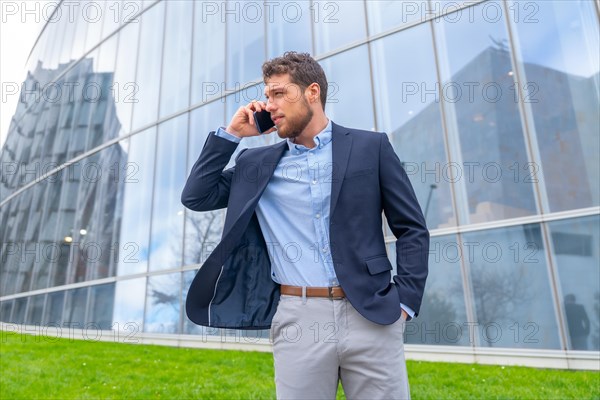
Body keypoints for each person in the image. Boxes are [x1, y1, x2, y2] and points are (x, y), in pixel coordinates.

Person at [182, 51, 429, 399]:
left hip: (371, 313)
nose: (270, 104)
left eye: (279, 93)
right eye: (267, 95)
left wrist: (405, 302)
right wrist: (232, 134)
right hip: (298, 318)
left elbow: (412, 228)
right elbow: (197, 196)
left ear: (312, 92)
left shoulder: (369, 147)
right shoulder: (256, 164)